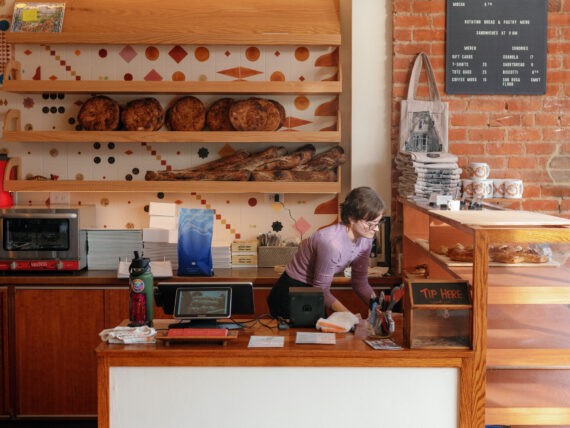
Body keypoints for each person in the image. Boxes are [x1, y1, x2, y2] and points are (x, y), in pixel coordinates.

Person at [267, 186, 385, 318]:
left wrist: (379, 306)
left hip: (315, 290)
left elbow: (360, 282)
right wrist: (350, 317)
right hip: (291, 292)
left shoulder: (365, 239)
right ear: (351, 218)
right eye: (371, 224)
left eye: (378, 223)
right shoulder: (331, 242)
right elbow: (321, 290)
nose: (376, 229)